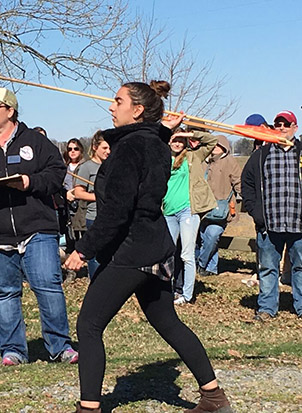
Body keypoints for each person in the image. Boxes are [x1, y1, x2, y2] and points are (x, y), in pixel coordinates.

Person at [65, 81, 232, 413]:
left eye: (118, 101)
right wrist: (159, 129)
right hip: (155, 245)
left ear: (137, 109)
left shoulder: (131, 147)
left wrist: (83, 250)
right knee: (168, 322)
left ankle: (89, 409)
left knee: (89, 324)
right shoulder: (154, 143)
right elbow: (148, 152)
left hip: (133, 249)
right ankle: (214, 398)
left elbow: (116, 212)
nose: (111, 107)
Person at [0, 87, 78, 366]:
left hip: (37, 229)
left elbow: (56, 174)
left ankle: (60, 346)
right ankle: (13, 350)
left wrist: (30, 183)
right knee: (5, 292)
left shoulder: (36, 141)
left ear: (10, 111)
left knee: (48, 286)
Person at [241, 110, 302, 321]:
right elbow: (246, 183)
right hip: (269, 224)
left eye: (287, 124)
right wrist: (256, 212)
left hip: (298, 224)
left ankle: (301, 307)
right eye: (278, 125)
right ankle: (267, 309)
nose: (282, 128)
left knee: (300, 268)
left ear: (295, 128)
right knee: (267, 268)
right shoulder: (261, 155)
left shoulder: (300, 153)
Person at [163, 129, 217, 304]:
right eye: (175, 140)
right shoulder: (163, 158)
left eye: (181, 140)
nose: (177, 144)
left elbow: (212, 141)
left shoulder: (193, 157)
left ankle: (187, 295)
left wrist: (190, 135)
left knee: (186, 254)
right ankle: (167, 291)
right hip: (168, 211)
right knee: (167, 253)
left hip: (188, 210)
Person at [197, 135, 242, 276]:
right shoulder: (203, 161)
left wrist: (245, 197)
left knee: (212, 235)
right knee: (204, 237)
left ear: (225, 147)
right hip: (201, 207)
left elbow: (238, 181)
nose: (216, 147)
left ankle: (201, 264)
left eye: (219, 145)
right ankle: (211, 268)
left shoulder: (229, 162)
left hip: (220, 208)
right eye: (213, 145)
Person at [73, 131, 110, 278]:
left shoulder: (112, 166)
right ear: (95, 147)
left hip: (110, 217)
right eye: (105, 148)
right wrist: (98, 197)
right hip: (94, 217)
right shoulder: (87, 167)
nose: (108, 152)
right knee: (95, 255)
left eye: (110, 148)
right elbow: (78, 193)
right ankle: (95, 282)